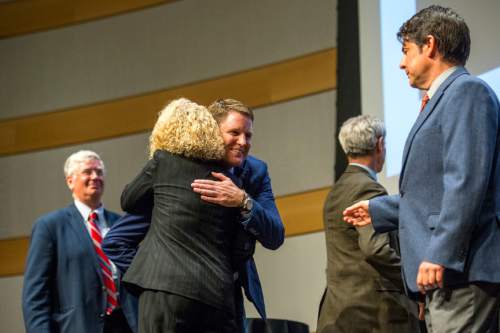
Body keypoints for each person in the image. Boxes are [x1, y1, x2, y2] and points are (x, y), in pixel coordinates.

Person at [343, 5, 500, 332]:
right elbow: (433, 192)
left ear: (429, 45)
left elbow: (465, 182)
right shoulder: (443, 98)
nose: (401, 63)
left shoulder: (466, 92)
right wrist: (378, 209)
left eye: (405, 51)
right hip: (448, 278)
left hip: (462, 270)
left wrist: (441, 253)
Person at [102, 98, 284, 332]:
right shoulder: (178, 169)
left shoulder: (256, 171)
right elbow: (116, 240)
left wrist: (243, 200)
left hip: (226, 296)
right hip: (172, 297)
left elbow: (275, 235)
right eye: (234, 133)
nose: (242, 142)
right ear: (211, 132)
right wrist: (159, 274)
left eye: (248, 135)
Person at [317, 115, 418, 333]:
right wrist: (413, 285)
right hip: (372, 313)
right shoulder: (368, 188)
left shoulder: (335, 191)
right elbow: (376, 249)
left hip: (338, 311)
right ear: (380, 144)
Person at [22, 150, 137, 333]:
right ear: (70, 181)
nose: (95, 177)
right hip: (76, 326)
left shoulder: (120, 224)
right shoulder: (50, 227)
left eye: (99, 172)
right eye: (88, 172)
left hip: (125, 325)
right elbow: (36, 295)